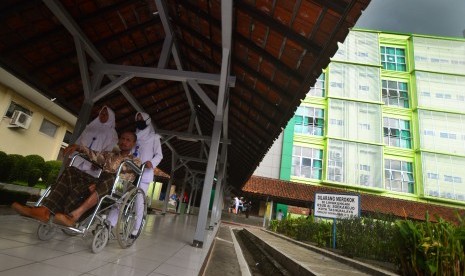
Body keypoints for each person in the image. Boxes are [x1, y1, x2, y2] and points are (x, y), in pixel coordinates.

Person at [12, 131, 141, 226]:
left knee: (110, 180)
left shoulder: (135, 161)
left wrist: (100, 184)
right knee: (71, 171)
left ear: (134, 143)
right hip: (99, 181)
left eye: (128, 140)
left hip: (115, 187)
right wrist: (78, 147)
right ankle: (44, 210)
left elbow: (127, 179)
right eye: (122, 138)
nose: (124, 141)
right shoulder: (109, 155)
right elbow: (93, 154)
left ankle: (74, 216)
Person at [108, 112, 162, 236]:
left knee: (139, 201)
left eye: (141, 119)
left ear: (147, 121)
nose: (139, 121)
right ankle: (110, 224)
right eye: (137, 119)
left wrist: (151, 163)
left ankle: (136, 229)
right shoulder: (134, 136)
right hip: (130, 172)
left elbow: (159, 155)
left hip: (144, 173)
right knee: (121, 198)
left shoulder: (154, 138)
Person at [72, 105, 118, 177]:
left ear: (111, 117)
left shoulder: (112, 133)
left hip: (94, 163)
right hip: (79, 157)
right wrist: (71, 155)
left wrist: (99, 162)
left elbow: (109, 150)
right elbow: (79, 140)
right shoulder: (90, 126)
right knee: (71, 177)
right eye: (101, 113)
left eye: (106, 114)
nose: (103, 115)